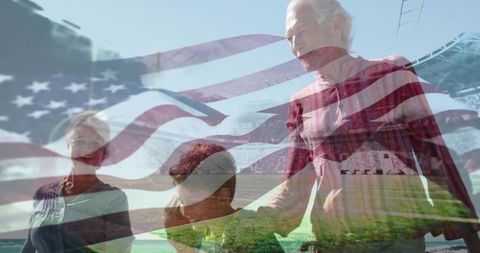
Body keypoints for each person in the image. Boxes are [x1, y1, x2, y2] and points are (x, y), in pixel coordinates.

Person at [257, 0, 480, 252]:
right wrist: (254, 221)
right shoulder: (301, 102)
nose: (296, 45)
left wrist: (470, 235)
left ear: (336, 26)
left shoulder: (393, 72)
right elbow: (295, 186)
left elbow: (433, 154)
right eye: (289, 38)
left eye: (303, 32)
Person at [21, 111, 134, 253]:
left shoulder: (114, 198)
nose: (88, 148)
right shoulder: (42, 193)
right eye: (79, 141)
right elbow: (30, 247)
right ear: (68, 146)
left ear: (103, 153)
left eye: (96, 143)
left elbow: (120, 250)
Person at [164, 143, 284, 252]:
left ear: (222, 197)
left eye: (193, 201)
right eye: (182, 201)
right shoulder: (204, 233)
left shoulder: (249, 230)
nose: (185, 211)